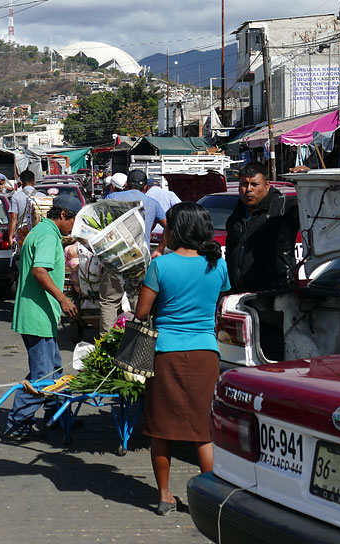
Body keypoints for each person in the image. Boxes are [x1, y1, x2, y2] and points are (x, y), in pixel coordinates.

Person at [135, 202, 230, 516]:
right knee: (203, 430)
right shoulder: (218, 265)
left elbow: (142, 313)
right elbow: (218, 306)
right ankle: (212, 497)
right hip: (206, 353)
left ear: (176, 230)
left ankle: (164, 496)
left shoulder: (161, 266)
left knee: (162, 428)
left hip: (166, 354)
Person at [2, 194, 80, 441]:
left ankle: (55, 415)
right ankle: (17, 424)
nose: (73, 226)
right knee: (43, 376)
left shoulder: (44, 232)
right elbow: (39, 271)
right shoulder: (47, 235)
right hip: (37, 315)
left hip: (41, 315)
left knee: (55, 369)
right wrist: (63, 299)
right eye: (73, 220)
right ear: (63, 215)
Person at [98, 169, 167, 332]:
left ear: (127, 184)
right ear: (146, 188)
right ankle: (139, 343)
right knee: (139, 300)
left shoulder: (111, 198)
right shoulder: (152, 203)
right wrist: (160, 248)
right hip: (140, 259)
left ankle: (106, 346)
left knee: (109, 301)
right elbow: (170, 226)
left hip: (116, 256)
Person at [225, 162, 300, 293]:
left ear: (267, 185)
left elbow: (313, 208)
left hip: (274, 295)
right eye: (244, 184)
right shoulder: (235, 218)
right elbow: (231, 255)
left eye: (254, 184)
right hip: (239, 295)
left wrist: (306, 180)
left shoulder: (282, 209)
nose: (248, 189)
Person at [7, 170, 45, 246]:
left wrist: (11, 236)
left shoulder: (15, 197)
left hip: (23, 233)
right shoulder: (43, 196)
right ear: (34, 182)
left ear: (21, 182)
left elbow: (14, 218)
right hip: (40, 231)